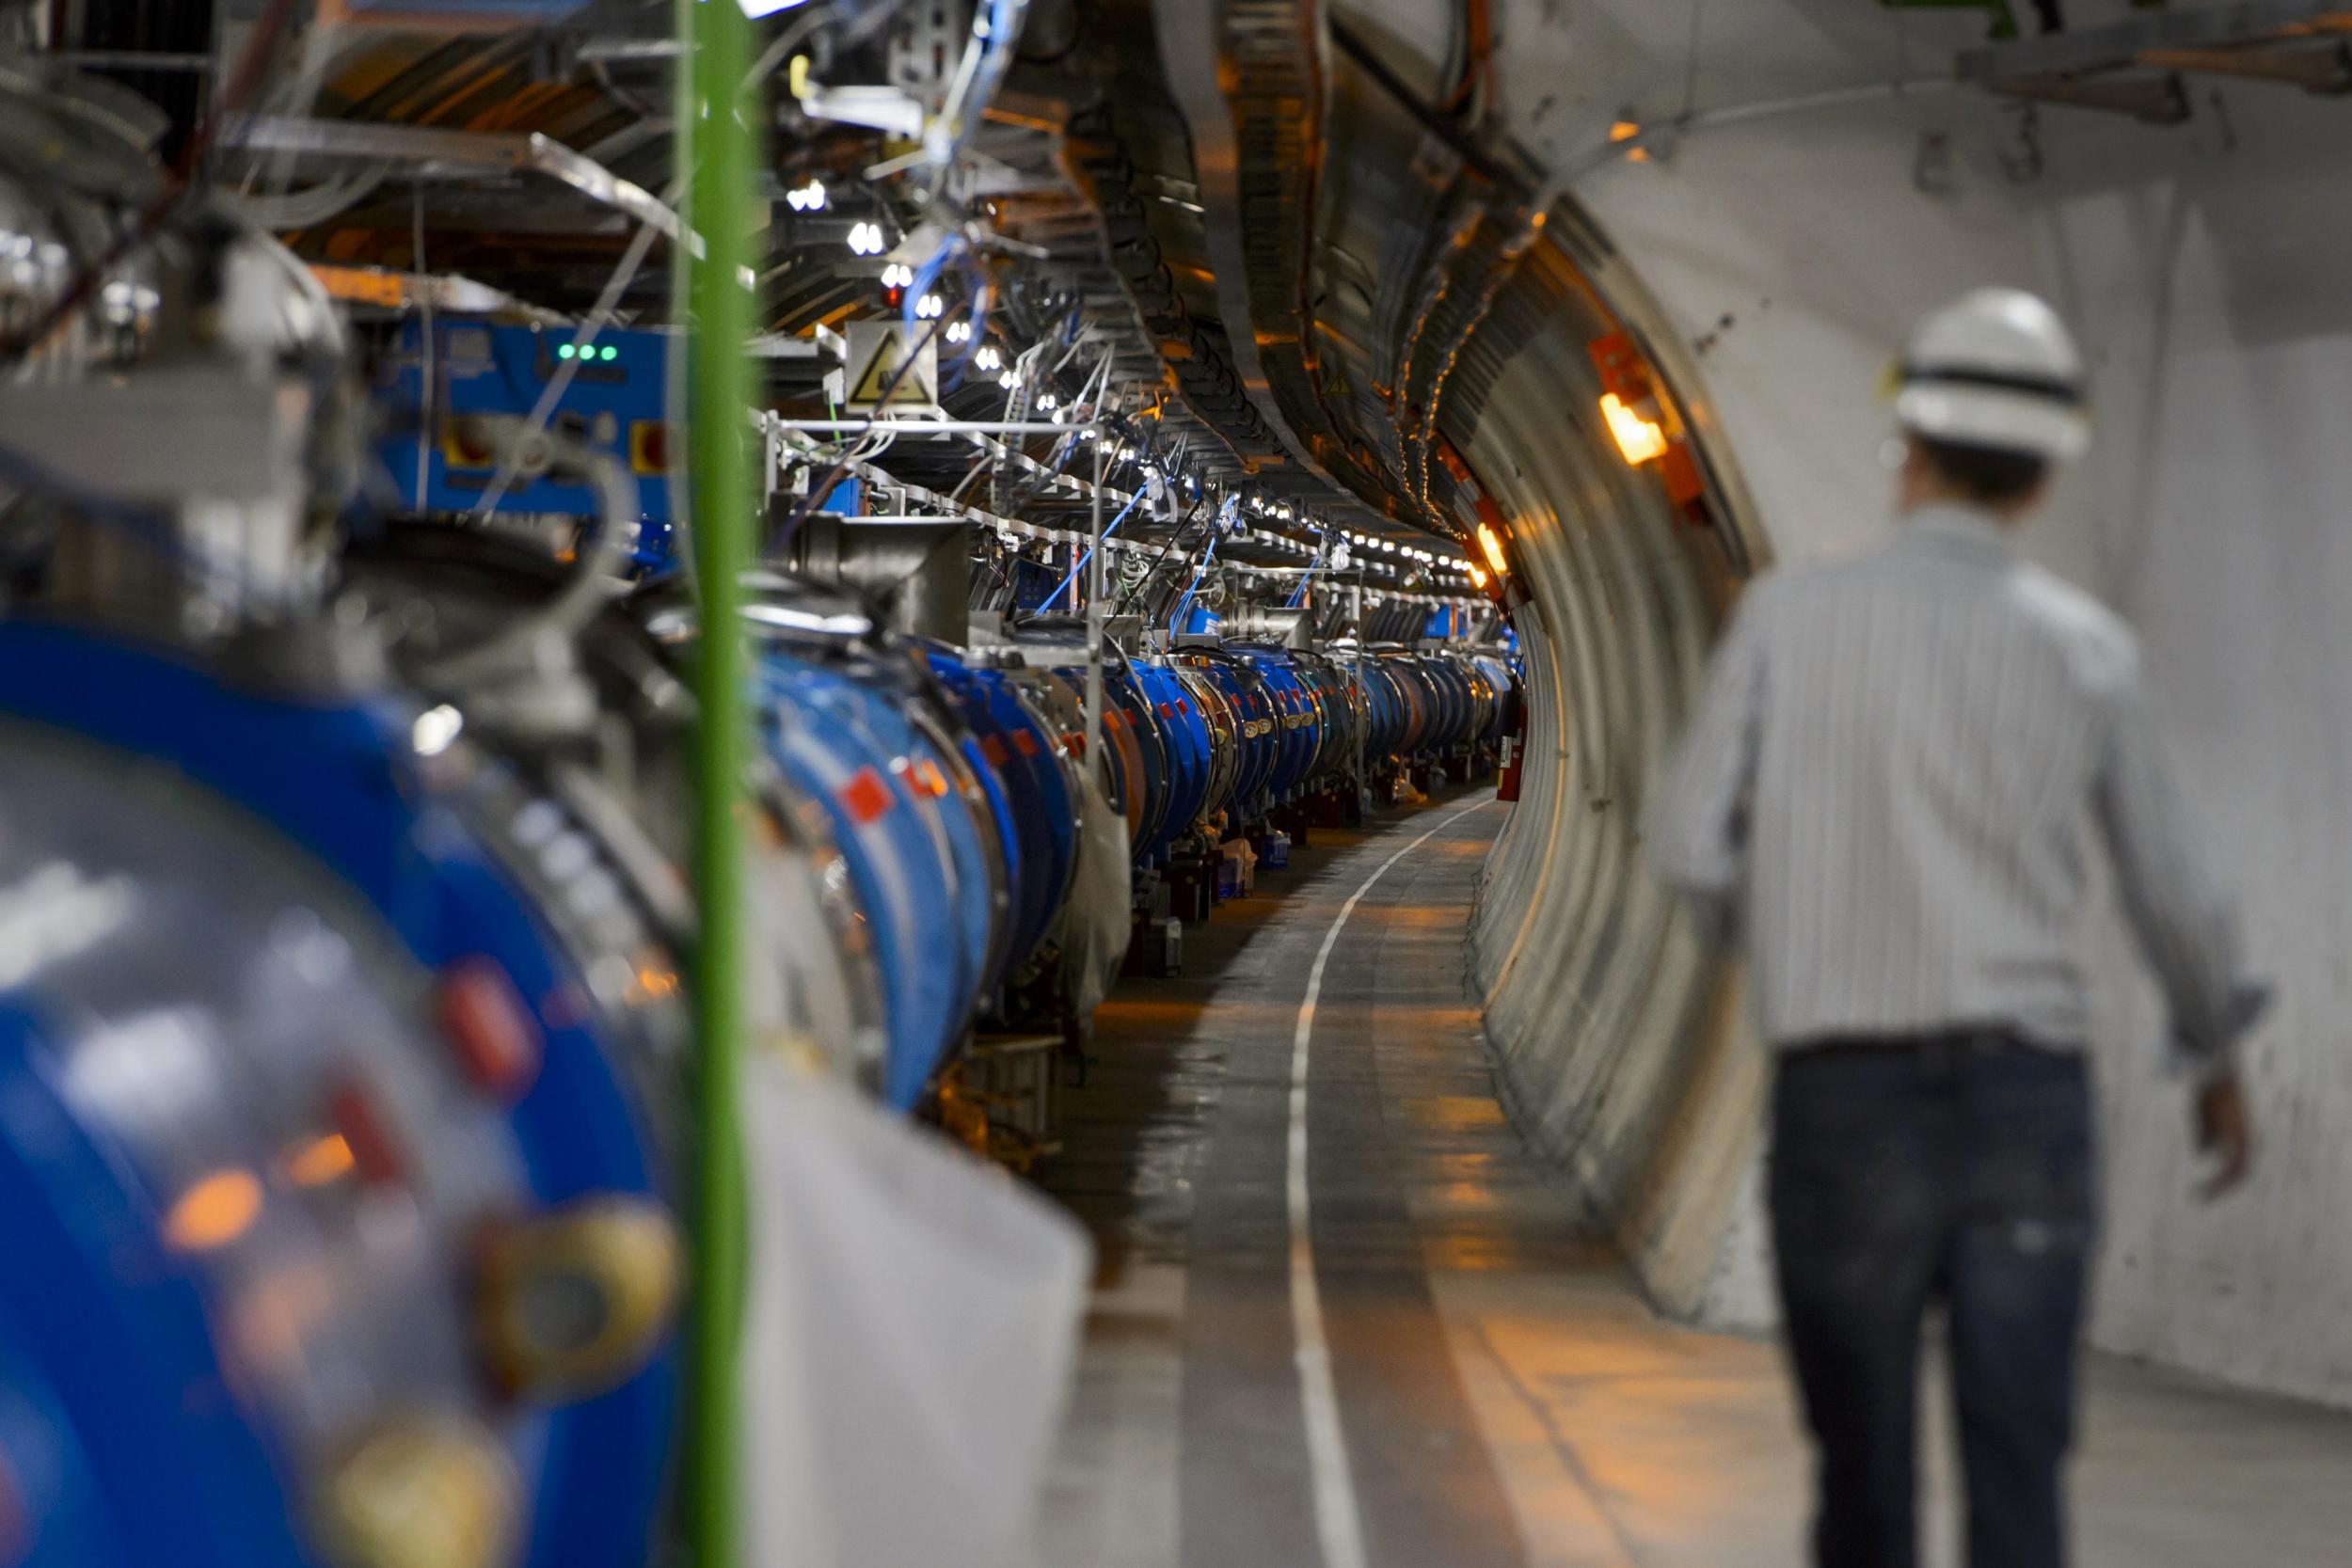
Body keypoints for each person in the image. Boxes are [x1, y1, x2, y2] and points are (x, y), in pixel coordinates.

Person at [1645, 287, 2266, 1568]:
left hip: (1843, 1099)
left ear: (1907, 447)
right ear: (2041, 479)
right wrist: (2214, 1055)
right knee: (2018, 1474)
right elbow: (2178, 889)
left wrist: (1791, 944)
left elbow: (1690, 845)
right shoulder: (2086, 652)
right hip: (2024, 1110)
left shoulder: (1785, 623)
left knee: (1862, 1483)